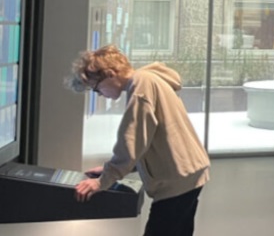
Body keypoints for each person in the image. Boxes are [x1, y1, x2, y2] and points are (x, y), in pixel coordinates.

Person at [68, 45, 210, 236]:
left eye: (96, 89)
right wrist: (112, 169)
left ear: (110, 74)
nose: (100, 94)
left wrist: (103, 181)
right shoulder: (149, 79)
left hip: (175, 181)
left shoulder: (141, 86)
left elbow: (133, 139)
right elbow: (151, 140)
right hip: (187, 175)